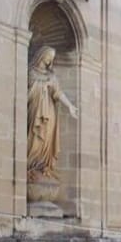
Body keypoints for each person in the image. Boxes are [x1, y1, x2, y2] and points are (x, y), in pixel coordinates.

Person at [26, 45, 78, 182]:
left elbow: (58, 92)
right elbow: (28, 92)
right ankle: (31, 165)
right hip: (36, 109)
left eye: (52, 58)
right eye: (48, 56)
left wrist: (70, 106)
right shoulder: (31, 72)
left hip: (49, 110)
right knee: (35, 138)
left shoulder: (51, 76)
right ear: (41, 55)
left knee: (47, 138)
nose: (50, 60)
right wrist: (42, 85)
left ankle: (43, 166)